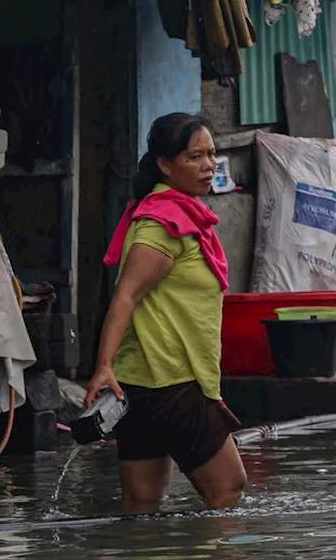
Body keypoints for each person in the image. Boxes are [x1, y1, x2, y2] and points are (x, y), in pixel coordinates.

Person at [89, 112, 247, 514]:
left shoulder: (166, 215)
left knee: (142, 505)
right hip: (173, 381)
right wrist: (103, 366)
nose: (208, 165)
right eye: (195, 157)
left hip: (141, 386)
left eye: (212, 154)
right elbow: (125, 296)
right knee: (228, 489)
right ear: (164, 164)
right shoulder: (163, 224)